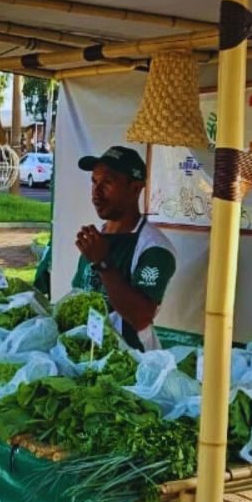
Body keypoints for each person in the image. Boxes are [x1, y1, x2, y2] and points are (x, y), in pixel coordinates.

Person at [71, 146, 176, 352]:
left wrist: (103, 264)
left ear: (135, 188)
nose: (96, 193)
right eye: (94, 182)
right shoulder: (97, 238)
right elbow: (79, 296)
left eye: (107, 183)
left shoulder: (155, 248)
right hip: (87, 355)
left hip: (131, 363)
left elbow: (141, 316)